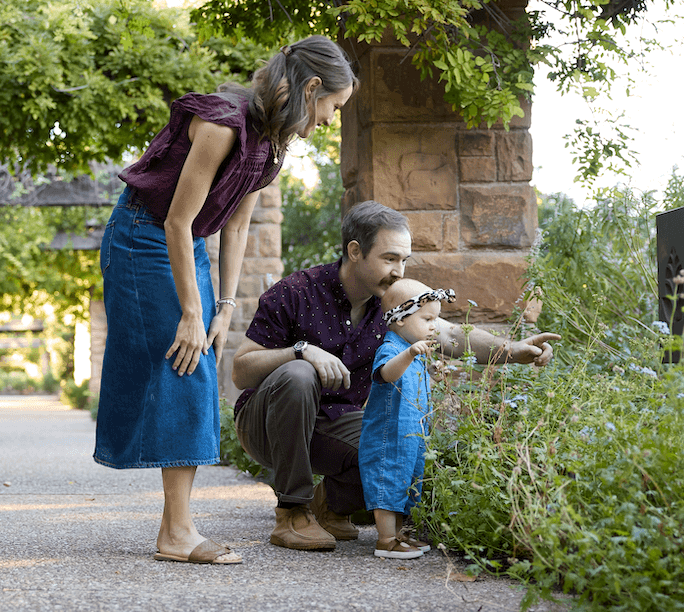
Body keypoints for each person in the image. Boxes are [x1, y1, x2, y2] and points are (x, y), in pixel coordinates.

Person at [94, 36, 358, 565]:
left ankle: (176, 530)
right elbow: (175, 220)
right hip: (143, 237)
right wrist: (191, 313)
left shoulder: (273, 145)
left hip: (183, 243)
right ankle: (179, 533)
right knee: (185, 366)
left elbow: (236, 225)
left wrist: (224, 307)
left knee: (195, 367)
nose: (332, 120)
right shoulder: (222, 124)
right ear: (311, 88)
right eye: (333, 106)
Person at [231, 201, 560, 552]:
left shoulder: (394, 305)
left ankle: (328, 505)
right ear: (355, 251)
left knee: (393, 449)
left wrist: (514, 351)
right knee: (299, 373)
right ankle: (292, 513)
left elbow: (448, 334)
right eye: (390, 259)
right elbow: (241, 370)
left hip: (334, 423)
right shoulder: (296, 292)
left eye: (404, 260)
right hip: (267, 423)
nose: (399, 271)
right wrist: (301, 350)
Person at [360, 279, 454, 559]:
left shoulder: (414, 353)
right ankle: (386, 540)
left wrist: (434, 374)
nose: (434, 326)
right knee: (388, 480)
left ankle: (398, 534)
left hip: (411, 435)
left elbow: (417, 385)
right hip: (388, 436)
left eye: (436, 319)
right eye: (427, 319)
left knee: (407, 482)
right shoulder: (392, 349)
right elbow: (386, 374)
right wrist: (410, 353)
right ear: (400, 320)